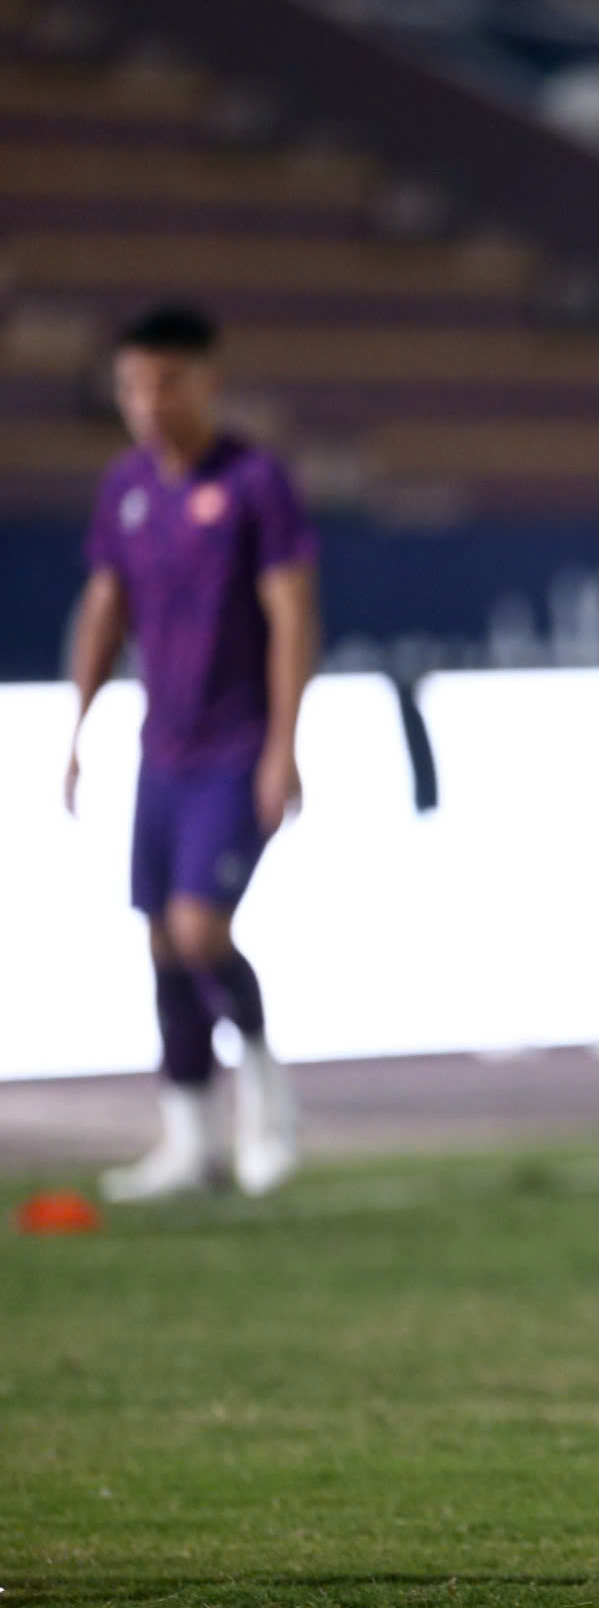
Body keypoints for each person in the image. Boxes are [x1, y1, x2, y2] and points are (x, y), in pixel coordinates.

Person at [64, 304, 318, 1202]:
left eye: (165, 380)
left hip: (236, 744)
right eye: (133, 384)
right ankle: (188, 1141)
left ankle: (269, 1108)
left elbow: (292, 614)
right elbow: (106, 604)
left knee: (200, 927)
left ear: (208, 379)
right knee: (161, 945)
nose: (147, 401)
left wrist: (285, 743)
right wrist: (78, 723)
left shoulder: (254, 481)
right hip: (159, 750)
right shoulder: (126, 487)